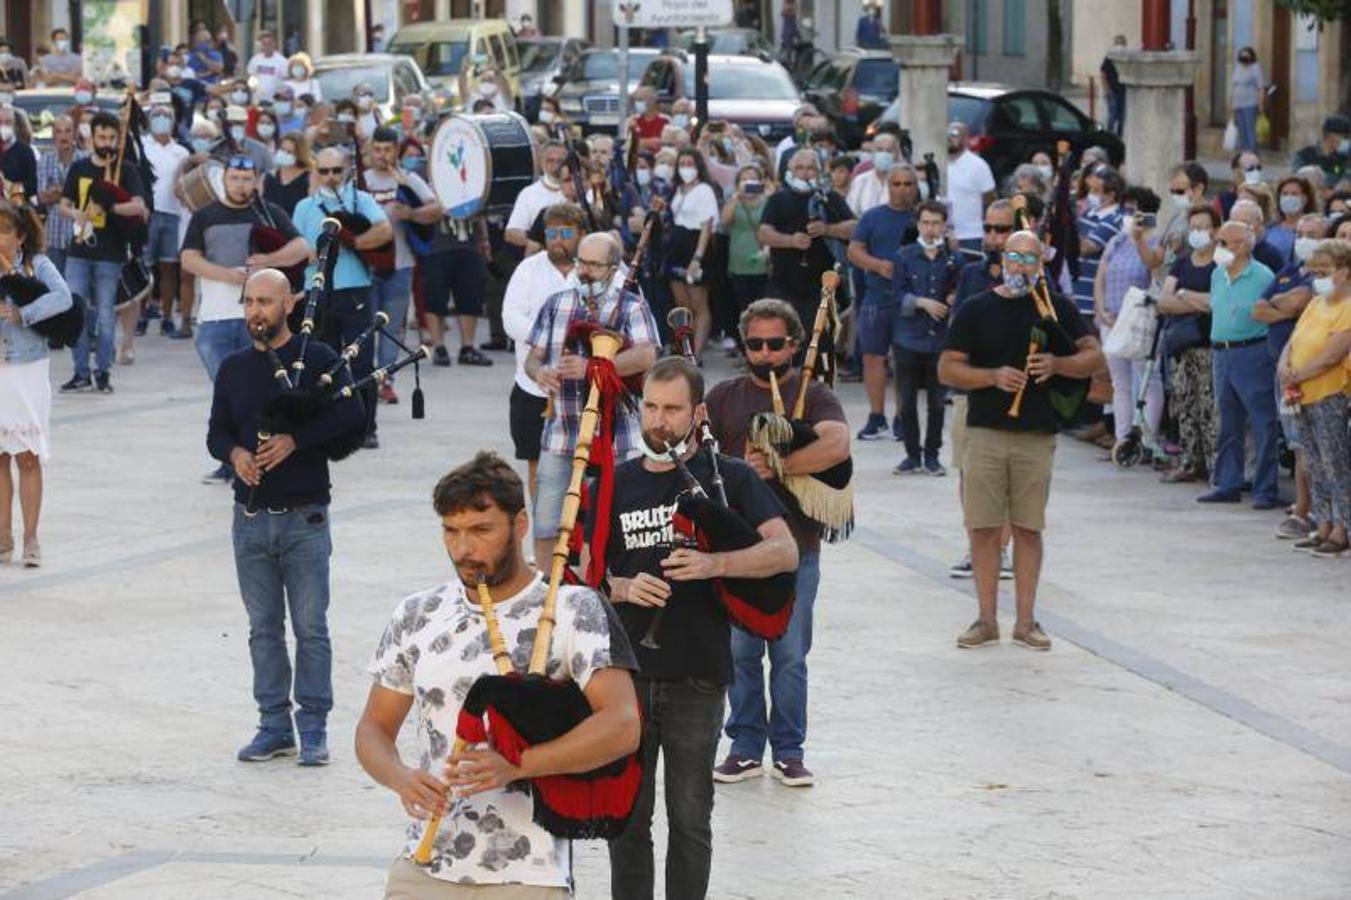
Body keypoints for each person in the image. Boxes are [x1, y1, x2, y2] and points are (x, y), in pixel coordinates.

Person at [356, 451, 639, 896]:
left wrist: (518, 766)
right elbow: (373, 727)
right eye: (451, 531)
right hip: (425, 865)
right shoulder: (418, 613)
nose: (463, 549)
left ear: (520, 524)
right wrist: (400, 776)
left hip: (529, 873)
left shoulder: (571, 608)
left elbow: (622, 726)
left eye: (481, 530)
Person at [604, 355, 798, 899]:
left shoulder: (726, 476)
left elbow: (782, 552)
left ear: (698, 413)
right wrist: (621, 588)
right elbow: (571, 575)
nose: (658, 421)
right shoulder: (616, 482)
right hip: (628, 678)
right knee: (627, 824)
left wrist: (715, 564)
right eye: (650, 407)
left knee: (690, 823)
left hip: (698, 677)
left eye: (672, 409)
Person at [206, 268, 366, 767]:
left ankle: (313, 728)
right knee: (263, 629)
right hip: (249, 520)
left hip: (305, 517)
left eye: (266, 302)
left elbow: (352, 418)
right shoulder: (233, 368)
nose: (256, 311)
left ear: (289, 305)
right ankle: (273, 725)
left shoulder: (316, 360)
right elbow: (216, 431)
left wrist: (297, 439)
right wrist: (235, 455)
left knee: (311, 627)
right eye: (250, 301)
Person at [698, 299, 845, 789]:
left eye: (775, 344)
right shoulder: (724, 397)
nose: (764, 353)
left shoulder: (814, 393)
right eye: (755, 344)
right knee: (740, 653)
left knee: (788, 656)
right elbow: (700, 459)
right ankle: (743, 746)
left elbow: (837, 444)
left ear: (795, 344)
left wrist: (781, 465)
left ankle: (788, 750)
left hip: (798, 548)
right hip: (741, 551)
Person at [938, 230, 1102, 650]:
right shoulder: (977, 309)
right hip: (986, 432)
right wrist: (991, 377)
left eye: (1030, 258)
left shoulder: (1056, 307)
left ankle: (1026, 621)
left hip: (1035, 436)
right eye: (1014, 256)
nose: (1021, 265)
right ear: (1002, 259)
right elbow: (948, 369)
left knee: (1028, 529)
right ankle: (986, 619)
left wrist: (1058, 364)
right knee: (983, 529)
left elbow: (1092, 357)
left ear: (1041, 264)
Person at [523, 233, 659, 566]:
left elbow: (646, 357)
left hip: (617, 438)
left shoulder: (632, 305)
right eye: (580, 262)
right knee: (547, 524)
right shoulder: (557, 304)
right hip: (562, 433)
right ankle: (546, 593)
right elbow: (532, 359)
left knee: (612, 523)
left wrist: (594, 367)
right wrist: (539, 373)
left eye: (593, 265)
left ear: (614, 269)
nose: (583, 270)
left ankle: (603, 592)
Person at [182, 155, 308, 479]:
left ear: (256, 181)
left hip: (259, 321)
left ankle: (261, 459)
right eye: (235, 178)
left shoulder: (268, 213)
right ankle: (232, 460)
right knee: (227, 391)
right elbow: (188, 259)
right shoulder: (205, 216)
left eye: (246, 178)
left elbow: (301, 248)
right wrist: (226, 274)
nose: (241, 184)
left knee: (260, 390)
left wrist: (268, 260)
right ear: (223, 179)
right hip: (214, 320)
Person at [292, 146, 393, 448]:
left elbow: (385, 231)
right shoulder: (304, 207)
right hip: (318, 290)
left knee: (361, 363)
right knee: (320, 363)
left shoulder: (361, 200)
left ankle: (366, 427)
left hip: (354, 290)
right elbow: (295, 244)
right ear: (316, 172)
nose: (331, 177)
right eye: (324, 171)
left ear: (346, 169)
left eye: (336, 170)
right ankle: (326, 426)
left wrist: (353, 242)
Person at [946, 199, 1018, 579]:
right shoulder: (972, 273)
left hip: (1014, 391)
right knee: (969, 472)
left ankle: (1001, 550)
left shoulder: (1035, 279)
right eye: (989, 229)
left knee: (1005, 475)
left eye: (1002, 229)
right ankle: (978, 547)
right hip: (970, 387)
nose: (993, 237)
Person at [0, 200, 73, 569]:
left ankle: (31, 537)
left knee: (27, 456)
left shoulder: (36, 264)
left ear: (20, 236)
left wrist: (22, 314)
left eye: (3, 231)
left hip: (27, 368)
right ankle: (2, 537)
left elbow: (63, 298)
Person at [57, 111, 148, 395]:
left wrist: (111, 206)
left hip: (111, 253)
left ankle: (103, 371)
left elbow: (139, 207)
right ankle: (80, 371)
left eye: (111, 137)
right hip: (80, 250)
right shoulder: (80, 167)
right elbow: (62, 204)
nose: (106, 142)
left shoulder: (127, 170)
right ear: (91, 137)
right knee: (76, 309)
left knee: (107, 315)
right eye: (101, 137)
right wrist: (76, 214)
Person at [502, 203, 585, 502]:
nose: (557, 240)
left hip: (584, 392)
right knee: (539, 468)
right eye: (551, 233)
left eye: (565, 232)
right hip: (533, 387)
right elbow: (510, 317)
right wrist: (553, 339)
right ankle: (544, 537)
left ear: (581, 234)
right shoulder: (528, 268)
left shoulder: (596, 266)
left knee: (586, 470)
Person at [1253, 213, 1327, 538]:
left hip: (1316, 376)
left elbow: (1300, 301)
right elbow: (1259, 308)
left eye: (1313, 234)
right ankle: (1304, 508)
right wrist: (1287, 305)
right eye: (1300, 233)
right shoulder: (1291, 270)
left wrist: (1284, 303)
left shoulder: (1327, 284)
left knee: (1320, 449)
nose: (1304, 239)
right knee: (1298, 444)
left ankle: (1317, 513)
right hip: (1284, 370)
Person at [360, 127, 445, 403]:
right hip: (366, 265)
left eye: (387, 149)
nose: (382, 155)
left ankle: (386, 379)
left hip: (401, 264)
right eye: (378, 149)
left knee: (393, 326)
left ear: (396, 150)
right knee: (365, 327)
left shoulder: (408, 179)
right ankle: (365, 378)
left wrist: (410, 212)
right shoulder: (361, 180)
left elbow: (436, 209)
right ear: (370, 151)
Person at [1278, 240, 1351, 557]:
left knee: (1335, 464)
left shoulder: (1348, 307)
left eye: (1325, 271)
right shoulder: (1315, 304)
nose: (1318, 277)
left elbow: (1331, 356)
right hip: (1303, 394)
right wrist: (1285, 368)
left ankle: (1342, 528)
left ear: (1344, 273)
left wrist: (1299, 375)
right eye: (1315, 271)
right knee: (1314, 464)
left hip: (1330, 394)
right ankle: (1322, 525)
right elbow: (1293, 342)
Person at [1200, 220, 1280, 508]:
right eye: (1218, 241)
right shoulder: (1217, 274)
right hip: (1221, 353)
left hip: (1253, 352)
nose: (1218, 247)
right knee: (1228, 423)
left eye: (1225, 242)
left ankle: (1264, 489)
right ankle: (1227, 483)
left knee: (1262, 423)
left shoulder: (1262, 276)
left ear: (1244, 245)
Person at [847, 163, 921, 440]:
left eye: (908, 183)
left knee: (906, 361)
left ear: (916, 187)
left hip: (910, 300)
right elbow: (854, 250)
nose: (902, 189)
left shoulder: (924, 217)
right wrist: (877, 265)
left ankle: (904, 417)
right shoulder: (873, 217)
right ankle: (876, 417)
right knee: (872, 358)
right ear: (888, 186)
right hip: (877, 297)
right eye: (897, 183)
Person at [758, 149, 856, 348]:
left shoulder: (829, 198)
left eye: (811, 168)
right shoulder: (778, 199)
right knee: (783, 337)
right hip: (783, 282)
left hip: (820, 285)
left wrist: (828, 229)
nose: (805, 172)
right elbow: (763, 233)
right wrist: (790, 241)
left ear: (819, 172)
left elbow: (854, 228)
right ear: (790, 171)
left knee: (815, 341)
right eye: (800, 168)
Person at [1094, 186, 1165, 452]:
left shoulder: (1156, 242)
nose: (1129, 215)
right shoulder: (1116, 241)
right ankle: (1123, 438)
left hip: (1139, 322)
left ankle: (1146, 438)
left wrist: (1139, 239)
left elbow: (1154, 271)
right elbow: (1101, 276)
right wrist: (1101, 310)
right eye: (1126, 210)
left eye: (1135, 210)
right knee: (1120, 383)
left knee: (1148, 378)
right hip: (1111, 321)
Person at [892, 200, 959, 475]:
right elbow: (896, 294)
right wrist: (921, 302)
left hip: (940, 340)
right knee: (906, 401)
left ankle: (932, 454)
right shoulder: (904, 255)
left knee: (936, 401)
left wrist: (954, 298)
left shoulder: (954, 258)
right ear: (918, 225)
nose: (931, 229)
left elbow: (964, 290)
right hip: (908, 338)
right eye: (926, 223)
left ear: (944, 226)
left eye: (936, 223)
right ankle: (911, 454)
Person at [1157, 206, 1220, 485]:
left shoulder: (1221, 262)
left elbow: (1217, 302)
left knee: (1209, 409)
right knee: (1184, 405)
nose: (1197, 232)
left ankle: (1215, 466)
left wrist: (1186, 296)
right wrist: (1196, 301)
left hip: (1209, 345)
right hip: (1183, 347)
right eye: (1193, 226)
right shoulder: (1182, 262)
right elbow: (1164, 301)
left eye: (1203, 226)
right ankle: (1190, 462)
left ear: (1216, 231)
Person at [141, 95, 191, 338]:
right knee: (145, 267)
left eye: (166, 116)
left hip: (173, 214)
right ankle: (142, 315)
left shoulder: (181, 152)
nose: (161, 120)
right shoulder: (141, 146)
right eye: (156, 116)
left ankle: (167, 317)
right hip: (147, 215)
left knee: (169, 268)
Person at [667, 148, 719, 357]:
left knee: (699, 303)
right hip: (676, 247)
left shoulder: (705, 189)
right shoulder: (678, 189)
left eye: (690, 163)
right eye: (683, 163)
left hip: (695, 245)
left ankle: (695, 353)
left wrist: (697, 257)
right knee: (682, 303)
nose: (686, 168)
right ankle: (684, 347)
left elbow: (707, 225)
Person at [1071, 164, 1125, 316]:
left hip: (1091, 303)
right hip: (1076, 298)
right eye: (1090, 190)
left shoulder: (1115, 219)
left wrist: (1067, 228)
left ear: (1111, 194)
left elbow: (1086, 247)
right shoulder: (1090, 212)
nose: (1090, 195)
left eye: (1096, 191)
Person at [721, 164, 770, 332]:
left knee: (763, 307)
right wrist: (736, 197)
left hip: (763, 259)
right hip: (739, 261)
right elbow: (725, 221)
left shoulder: (767, 201)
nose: (749, 182)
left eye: (753, 179)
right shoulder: (734, 201)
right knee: (744, 307)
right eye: (744, 179)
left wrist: (769, 193)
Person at [36, 115, 81, 275]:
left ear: (75, 133)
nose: (63, 136)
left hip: (78, 235)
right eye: (59, 131)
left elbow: (84, 196)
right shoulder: (45, 160)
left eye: (68, 131)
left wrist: (56, 191)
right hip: (53, 236)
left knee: (76, 287)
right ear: (54, 135)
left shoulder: (84, 160)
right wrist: (70, 192)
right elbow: (42, 197)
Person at [505, 140, 568, 248]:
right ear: (541, 162)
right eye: (550, 160)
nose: (555, 165)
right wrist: (535, 244)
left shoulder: (579, 189)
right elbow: (511, 233)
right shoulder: (529, 193)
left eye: (560, 161)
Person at [945, 121, 997, 251]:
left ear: (966, 139)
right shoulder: (940, 163)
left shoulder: (978, 165)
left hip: (971, 235)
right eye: (948, 135)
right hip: (944, 235)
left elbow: (990, 199)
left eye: (955, 135)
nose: (950, 139)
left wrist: (989, 231)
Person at [844, 132, 900, 216]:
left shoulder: (905, 181)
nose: (884, 154)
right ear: (873, 153)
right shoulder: (860, 181)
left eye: (889, 151)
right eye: (880, 150)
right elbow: (851, 213)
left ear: (897, 154)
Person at [262, 131, 311, 217]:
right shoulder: (269, 177)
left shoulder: (307, 179)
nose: (284, 154)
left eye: (289, 152)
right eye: (282, 149)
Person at [1291, 115, 1349, 187]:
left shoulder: (1343, 159)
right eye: (1345, 137)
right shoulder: (1303, 156)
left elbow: (1347, 180)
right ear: (1332, 136)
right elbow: (1294, 180)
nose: (1347, 140)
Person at [1268, 176, 1316, 263]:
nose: (1289, 198)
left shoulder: (1315, 227)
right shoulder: (1270, 229)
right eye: (1285, 194)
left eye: (1294, 194)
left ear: (1305, 199)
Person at [1230, 46, 1267, 153]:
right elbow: (1234, 86)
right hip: (1238, 104)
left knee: (1250, 130)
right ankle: (1244, 153)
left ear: (1251, 57)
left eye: (1246, 56)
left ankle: (1253, 153)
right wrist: (1232, 104)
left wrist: (1260, 104)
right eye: (1242, 55)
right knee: (1241, 131)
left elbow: (1261, 87)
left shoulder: (1255, 68)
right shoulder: (1238, 67)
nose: (1244, 58)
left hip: (1250, 103)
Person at [0, 104, 39, 202]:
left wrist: (13, 189)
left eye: (8, 122)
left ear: (14, 125)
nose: (3, 126)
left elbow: (33, 185)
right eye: (0, 122)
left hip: (16, 208)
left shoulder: (25, 152)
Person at [626, 86, 669, 154]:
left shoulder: (665, 120)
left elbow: (664, 143)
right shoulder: (633, 120)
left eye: (641, 100)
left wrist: (641, 142)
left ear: (652, 100)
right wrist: (649, 142)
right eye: (637, 100)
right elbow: (628, 144)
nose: (638, 103)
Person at [1100, 35, 1127, 137]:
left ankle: (1119, 135)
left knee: (1121, 116)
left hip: (1122, 90)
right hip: (1112, 90)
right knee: (1112, 115)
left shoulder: (1125, 56)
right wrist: (1106, 88)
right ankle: (1109, 134)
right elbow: (1103, 72)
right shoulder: (1109, 57)